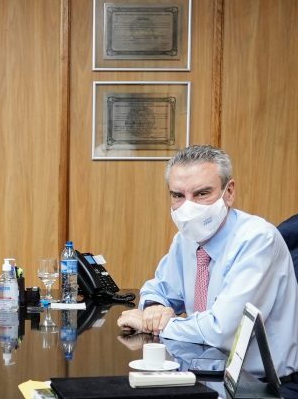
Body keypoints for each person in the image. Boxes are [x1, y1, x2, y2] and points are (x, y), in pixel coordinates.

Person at [116, 145, 298, 396]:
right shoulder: (186, 238)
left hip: (262, 387)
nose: (188, 208)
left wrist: (155, 326)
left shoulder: (257, 239)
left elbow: (221, 331)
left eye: (202, 193)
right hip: (206, 379)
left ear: (229, 192)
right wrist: (153, 309)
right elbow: (160, 288)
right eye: (178, 195)